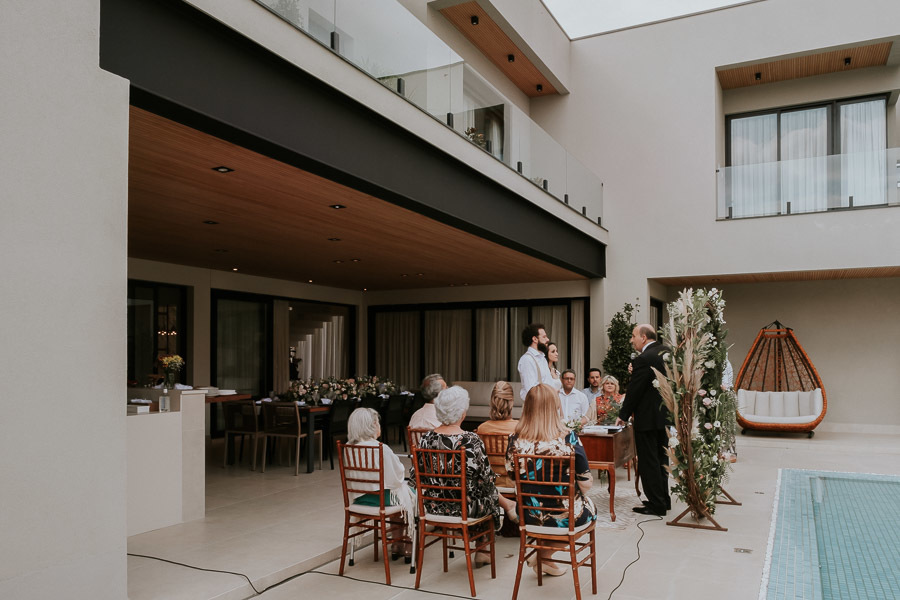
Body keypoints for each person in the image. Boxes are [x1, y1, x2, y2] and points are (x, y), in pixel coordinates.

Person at [414, 386, 518, 565]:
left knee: (478, 491)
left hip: (432, 506)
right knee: (484, 493)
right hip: (464, 509)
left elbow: (416, 477)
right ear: (462, 412)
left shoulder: (425, 439)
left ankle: (503, 511)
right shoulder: (470, 440)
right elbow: (487, 479)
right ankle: (483, 547)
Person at [506, 384, 596, 577]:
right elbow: (586, 484)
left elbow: (512, 477)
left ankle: (544, 559)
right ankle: (543, 555)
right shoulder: (568, 439)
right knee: (588, 511)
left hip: (528, 515)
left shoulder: (514, 440)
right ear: (555, 407)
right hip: (564, 517)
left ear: (527, 408)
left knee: (554, 515)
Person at [617, 324, 671, 516]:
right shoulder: (667, 352)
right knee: (662, 459)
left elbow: (635, 390)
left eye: (633, 336)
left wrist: (623, 415)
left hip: (647, 419)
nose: (632, 340)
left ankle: (656, 504)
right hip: (665, 416)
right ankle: (664, 499)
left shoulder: (644, 358)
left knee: (648, 461)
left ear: (644, 337)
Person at [345, 407, 415, 552]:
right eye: (377, 423)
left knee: (398, 494)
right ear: (372, 426)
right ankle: (407, 543)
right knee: (411, 493)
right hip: (381, 499)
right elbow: (396, 477)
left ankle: (397, 544)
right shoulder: (380, 448)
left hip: (360, 498)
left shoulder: (348, 448)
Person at [475, 381, 518, 489]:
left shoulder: (482, 428)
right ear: (511, 402)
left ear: (492, 402)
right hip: (514, 485)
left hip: (490, 485)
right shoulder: (520, 428)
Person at [517, 323, 561, 401]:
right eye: (544, 337)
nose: (547, 339)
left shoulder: (542, 358)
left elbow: (548, 383)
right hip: (536, 407)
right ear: (535, 339)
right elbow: (531, 391)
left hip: (547, 405)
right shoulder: (527, 360)